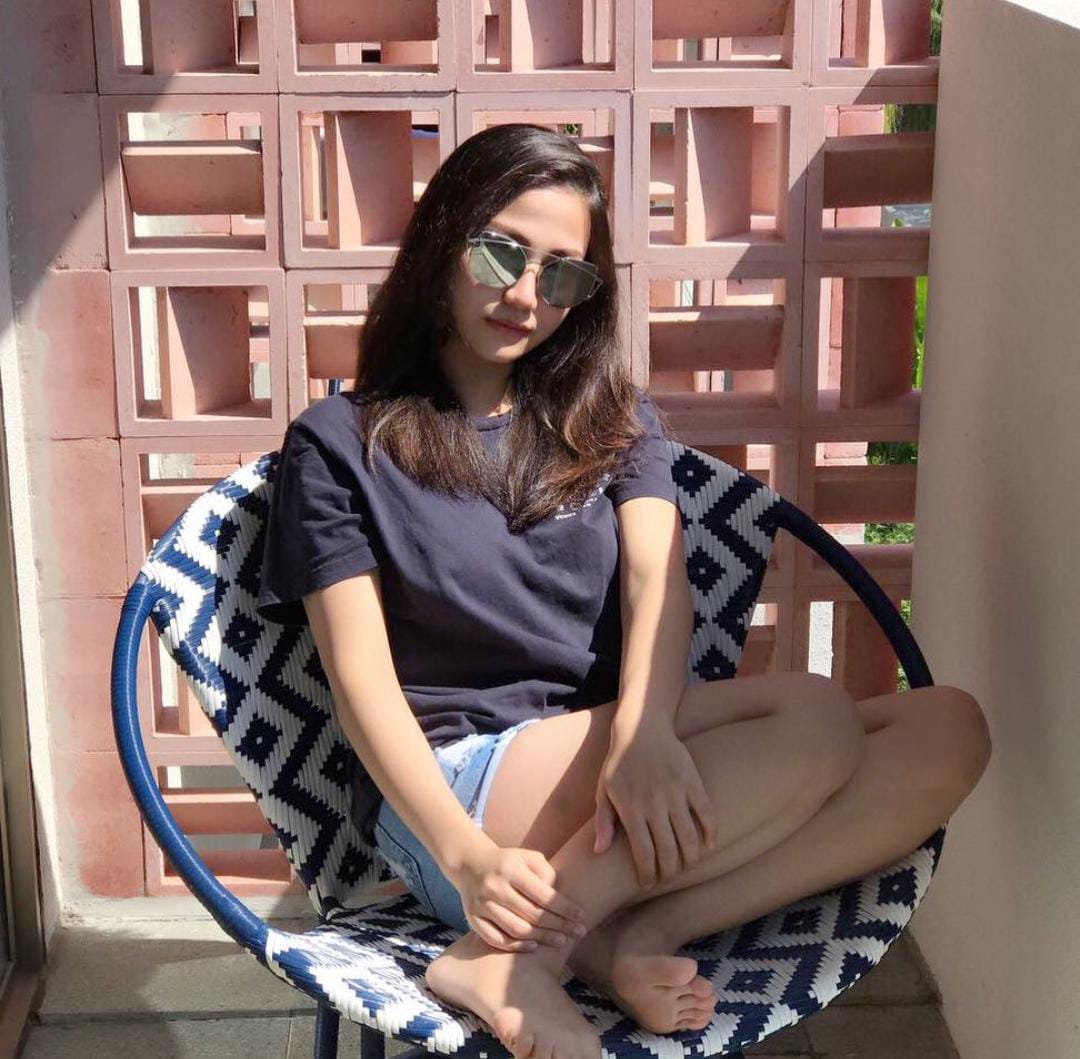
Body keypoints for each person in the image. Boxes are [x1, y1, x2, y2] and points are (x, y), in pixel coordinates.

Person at [256, 124, 992, 1059]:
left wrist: (643, 736)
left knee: (949, 728)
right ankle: (514, 954)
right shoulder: (338, 443)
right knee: (813, 717)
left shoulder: (608, 418)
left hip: (610, 776)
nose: (526, 295)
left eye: (563, 274)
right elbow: (360, 682)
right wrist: (466, 856)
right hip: (462, 795)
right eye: (501, 253)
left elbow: (657, 576)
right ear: (442, 241)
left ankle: (635, 934)